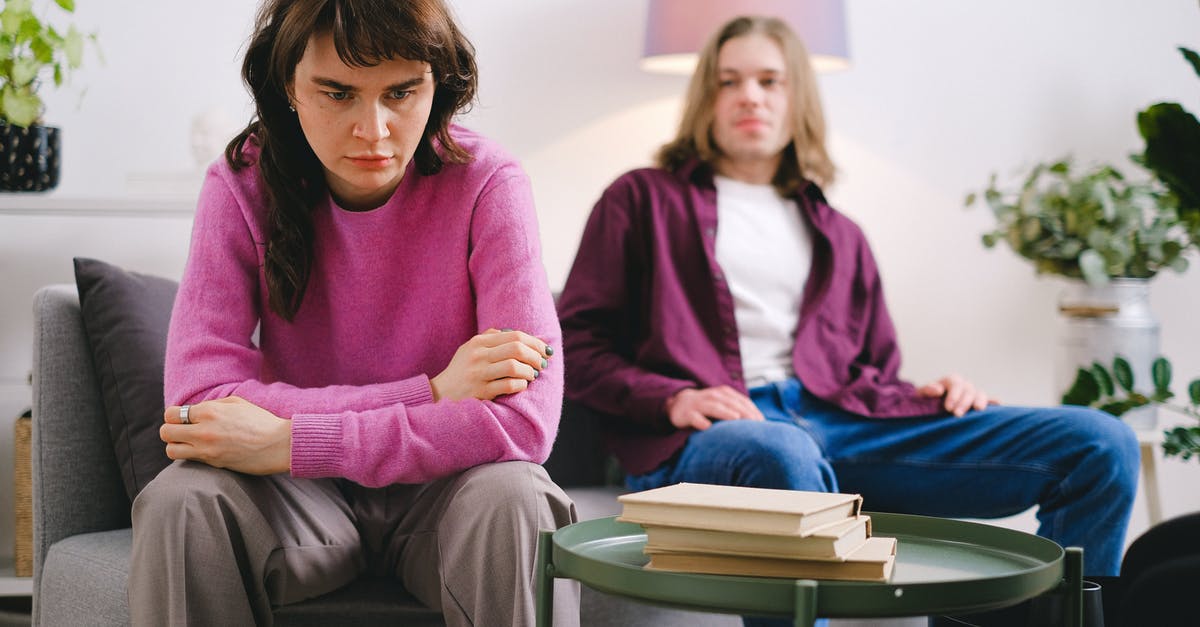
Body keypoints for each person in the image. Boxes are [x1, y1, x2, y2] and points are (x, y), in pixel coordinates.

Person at [557, 12, 1139, 606]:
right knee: (783, 452)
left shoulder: (842, 235)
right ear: (705, 97)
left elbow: (873, 374)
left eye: (769, 81)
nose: (748, 96)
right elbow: (575, 346)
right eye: (727, 81)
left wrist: (925, 397)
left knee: (1101, 442)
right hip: (718, 439)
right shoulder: (640, 199)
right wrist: (672, 398)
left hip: (843, 426)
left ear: (797, 97)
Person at [129, 1, 579, 625]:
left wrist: (294, 441)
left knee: (518, 495)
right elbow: (201, 402)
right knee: (181, 500)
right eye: (337, 93)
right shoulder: (240, 184)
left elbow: (523, 424)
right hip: (298, 501)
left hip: (451, 497)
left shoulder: (489, 182)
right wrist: (436, 393)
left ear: (436, 84)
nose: (374, 129)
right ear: (289, 83)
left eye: (402, 92)